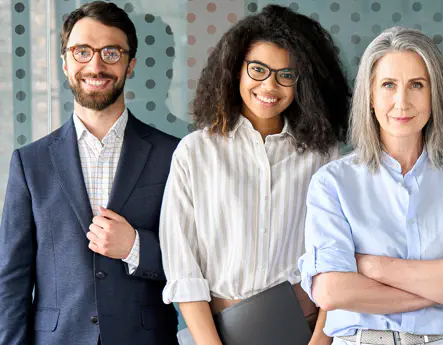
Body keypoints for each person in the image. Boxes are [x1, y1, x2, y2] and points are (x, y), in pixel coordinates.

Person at [298, 27, 443, 345]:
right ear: (369, 96)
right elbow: (331, 291)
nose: (402, 101)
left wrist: (371, 267)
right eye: (388, 85)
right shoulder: (332, 184)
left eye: (416, 85)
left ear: (434, 93)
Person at [158, 5, 349, 345]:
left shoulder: (323, 155)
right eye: (258, 69)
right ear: (235, 70)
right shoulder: (194, 153)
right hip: (213, 334)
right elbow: (183, 269)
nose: (270, 85)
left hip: (302, 331)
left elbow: (337, 258)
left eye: (286, 75)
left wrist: (321, 342)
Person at [0, 2, 180, 344]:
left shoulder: (173, 154)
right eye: (82, 51)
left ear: (130, 65)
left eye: (111, 52)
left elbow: (197, 262)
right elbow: (11, 280)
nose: (95, 65)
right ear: (65, 63)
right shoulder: (29, 162)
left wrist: (135, 247)